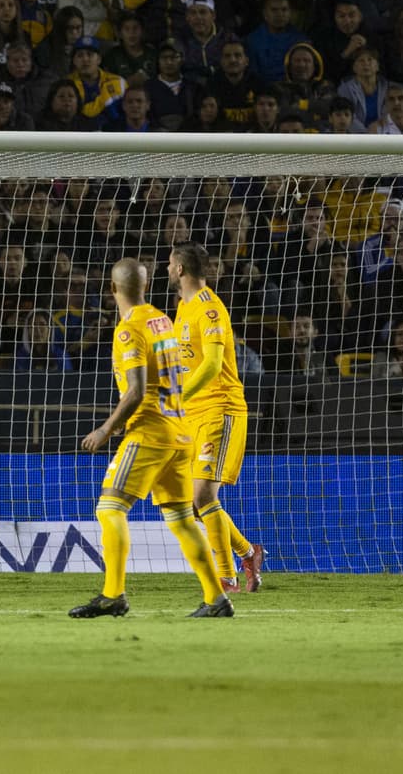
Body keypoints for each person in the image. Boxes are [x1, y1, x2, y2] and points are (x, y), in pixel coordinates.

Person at [70, 257, 233, 619]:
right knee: (180, 518)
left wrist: (105, 429)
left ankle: (113, 594)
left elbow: (135, 391)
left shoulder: (129, 330)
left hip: (150, 432)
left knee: (110, 508)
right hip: (179, 432)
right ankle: (216, 597)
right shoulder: (163, 319)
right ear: (143, 287)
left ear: (112, 290)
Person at [169, 242, 264, 593]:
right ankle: (248, 551)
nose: (167, 269)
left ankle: (226, 577)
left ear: (180, 269)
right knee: (195, 504)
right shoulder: (183, 306)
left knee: (203, 498)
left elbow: (211, 365)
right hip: (193, 413)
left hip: (219, 409)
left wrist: (178, 397)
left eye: (169, 264)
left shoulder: (210, 310)